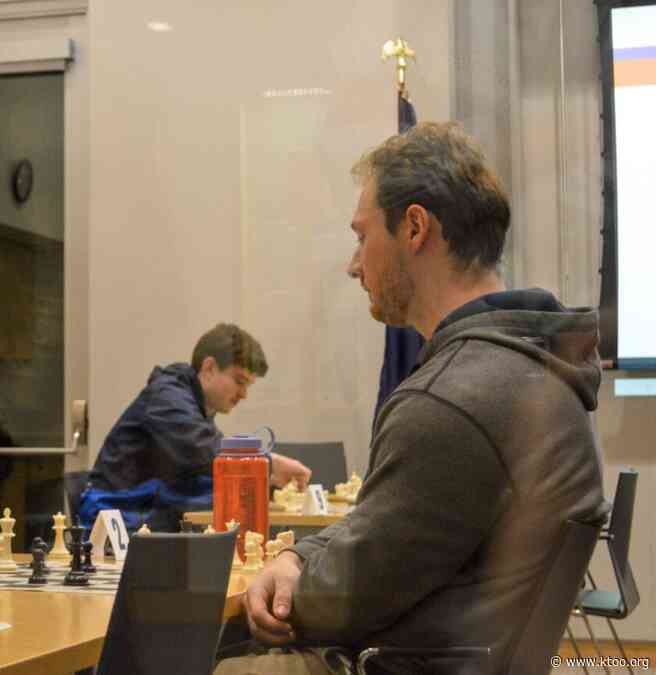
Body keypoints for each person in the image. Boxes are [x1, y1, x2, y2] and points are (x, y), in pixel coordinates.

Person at [217, 122, 608, 674]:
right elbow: (385, 532)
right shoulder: (530, 368)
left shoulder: (455, 398)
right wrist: (298, 554)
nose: (355, 265)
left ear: (416, 227)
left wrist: (283, 589)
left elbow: (347, 601)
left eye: (361, 236)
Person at [79, 323, 311, 533]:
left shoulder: (194, 406)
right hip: (114, 521)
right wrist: (267, 464)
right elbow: (201, 450)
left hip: (142, 516)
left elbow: (203, 469)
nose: (244, 394)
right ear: (209, 367)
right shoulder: (166, 396)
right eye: (239, 381)